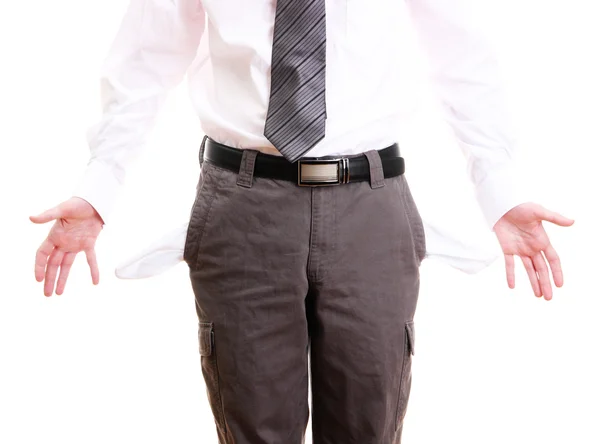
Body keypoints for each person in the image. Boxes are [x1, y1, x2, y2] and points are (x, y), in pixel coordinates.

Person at [29, 0, 575, 442]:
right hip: (243, 206)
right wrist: (99, 188)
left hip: (370, 206)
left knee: (369, 419)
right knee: (254, 420)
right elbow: (144, 62)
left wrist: (500, 190)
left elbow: (464, 60)